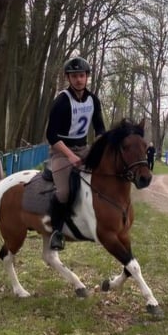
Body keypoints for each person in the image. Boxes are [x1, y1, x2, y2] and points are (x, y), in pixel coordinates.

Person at [45, 57, 106, 251]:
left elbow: (100, 128)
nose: (78, 80)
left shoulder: (93, 100)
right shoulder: (61, 101)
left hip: (84, 148)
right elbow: (51, 135)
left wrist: (98, 145)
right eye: (74, 76)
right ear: (68, 78)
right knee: (64, 192)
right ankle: (56, 232)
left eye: (81, 75)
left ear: (87, 76)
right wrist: (70, 156)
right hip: (61, 152)